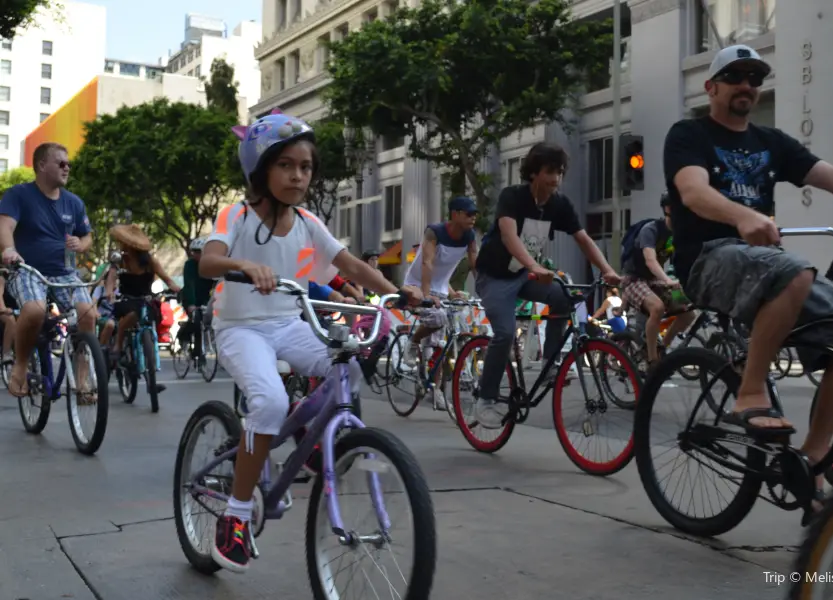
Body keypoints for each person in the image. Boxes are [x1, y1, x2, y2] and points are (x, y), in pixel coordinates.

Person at [663, 44, 833, 513]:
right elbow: (692, 192)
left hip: (763, 263)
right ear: (711, 88)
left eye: (754, 77)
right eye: (734, 76)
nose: (746, 85)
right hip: (707, 260)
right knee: (793, 269)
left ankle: (808, 463)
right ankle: (750, 390)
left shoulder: (773, 143)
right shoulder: (688, 134)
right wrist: (741, 216)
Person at [201, 109, 422, 573]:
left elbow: (352, 266)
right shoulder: (236, 214)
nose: (298, 175)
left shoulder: (307, 220)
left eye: (305, 167)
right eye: (286, 165)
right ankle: (236, 516)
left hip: (289, 323)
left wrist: (399, 294)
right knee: (268, 403)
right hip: (241, 329)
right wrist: (245, 266)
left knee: (352, 364)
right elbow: (209, 262)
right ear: (261, 169)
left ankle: (310, 432)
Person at [473, 141, 621, 428]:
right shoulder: (512, 197)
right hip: (494, 276)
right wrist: (534, 266)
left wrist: (607, 270)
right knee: (504, 334)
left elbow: (583, 239)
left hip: (523, 277)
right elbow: (508, 235)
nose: (556, 178)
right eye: (550, 171)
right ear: (533, 173)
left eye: (560, 172)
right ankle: (485, 399)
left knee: (564, 298)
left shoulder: (559, 204)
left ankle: (551, 364)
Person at [0, 142, 96, 398]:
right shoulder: (17, 195)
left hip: (65, 273)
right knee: (34, 310)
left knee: (88, 315)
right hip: (28, 271)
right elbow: (5, 227)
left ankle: (82, 381)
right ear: (42, 165)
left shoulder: (74, 203)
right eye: (61, 163)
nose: (67, 168)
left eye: (69, 164)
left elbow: (87, 238)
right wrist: (9, 250)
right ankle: (19, 367)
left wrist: (81, 244)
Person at [400, 196, 478, 410]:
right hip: (417, 284)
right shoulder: (434, 232)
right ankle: (413, 342)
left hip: (443, 289)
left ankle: (438, 387)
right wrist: (425, 295)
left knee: (453, 334)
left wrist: (485, 291)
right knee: (438, 318)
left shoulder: (470, 236)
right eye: (468, 213)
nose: (473, 217)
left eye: (475, 214)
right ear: (455, 214)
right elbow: (428, 262)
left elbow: (475, 264)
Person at [619, 192, 694, 365]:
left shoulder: (678, 234)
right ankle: (652, 360)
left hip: (654, 280)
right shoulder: (651, 230)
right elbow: (650, 260)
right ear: (668, 209)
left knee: (689, 313)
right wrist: (667, 281)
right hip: (633, 280)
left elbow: (687, 260)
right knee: (657, 307)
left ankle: (662, 348)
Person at [105, 224, 181, 379]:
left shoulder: (150, 261)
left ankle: (150, 353)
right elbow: (111, 278)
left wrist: (175, 288)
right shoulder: (121, 260)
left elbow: (167, 279)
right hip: (126, 300)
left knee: (152, 313)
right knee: (133, 313)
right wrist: (109, 291)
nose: (122, 246)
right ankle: (119, 343)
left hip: (146, 299)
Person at [178, 237, 216, 352]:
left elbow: (215, 283)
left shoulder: (211, 264)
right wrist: (191, 303)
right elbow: (189, 284)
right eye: (194, 252)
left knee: (210, 321)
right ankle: (184, 337)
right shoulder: (189, 265)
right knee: (195, 321)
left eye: (200, 252)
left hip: (206, 298)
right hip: (190, 297)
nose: (196, 255)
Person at [0, 273, 17, 363]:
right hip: (4, 311)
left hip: (15, 310)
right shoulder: (2, 278)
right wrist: (3, 309)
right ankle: (6, 353)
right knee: (10, 320)